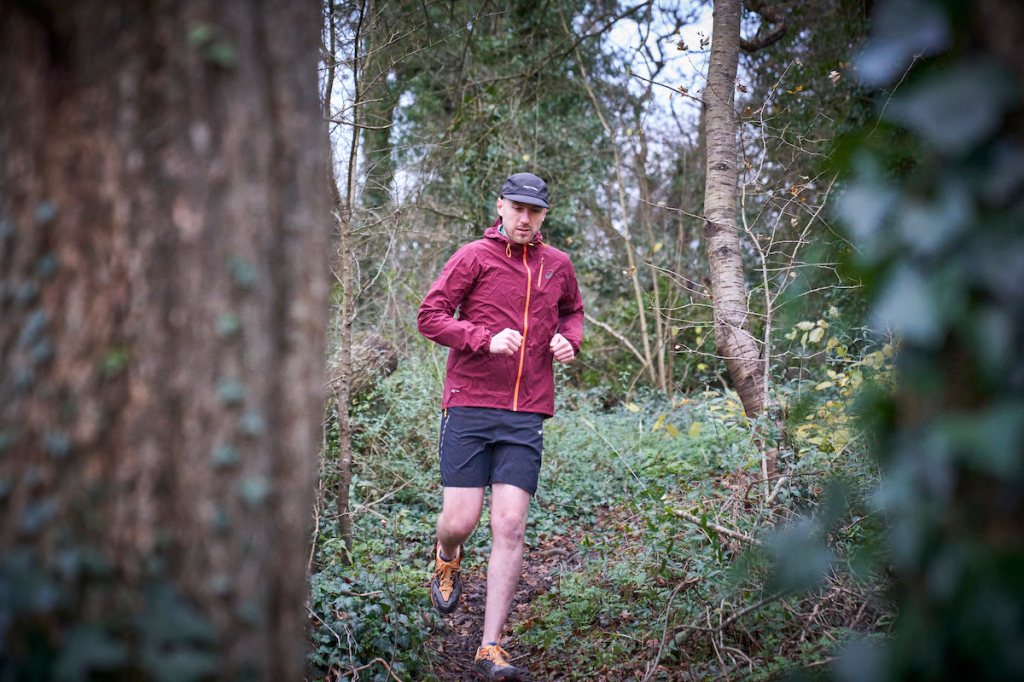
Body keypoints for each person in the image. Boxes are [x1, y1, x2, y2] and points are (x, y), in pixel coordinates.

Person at [417, 172, 584, 680]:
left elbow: (573, 312)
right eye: (517, 208)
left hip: (526, 411)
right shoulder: (474, 256)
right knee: (461, 521)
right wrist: (481, 338)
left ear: (544, 215)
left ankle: (491, 647)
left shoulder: (559, 265)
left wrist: (569, 341)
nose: (525, 218)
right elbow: (430, 315)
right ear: (501, 207)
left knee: (510, 525)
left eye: (534, 211)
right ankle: (447, 554)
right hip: (470, 405)